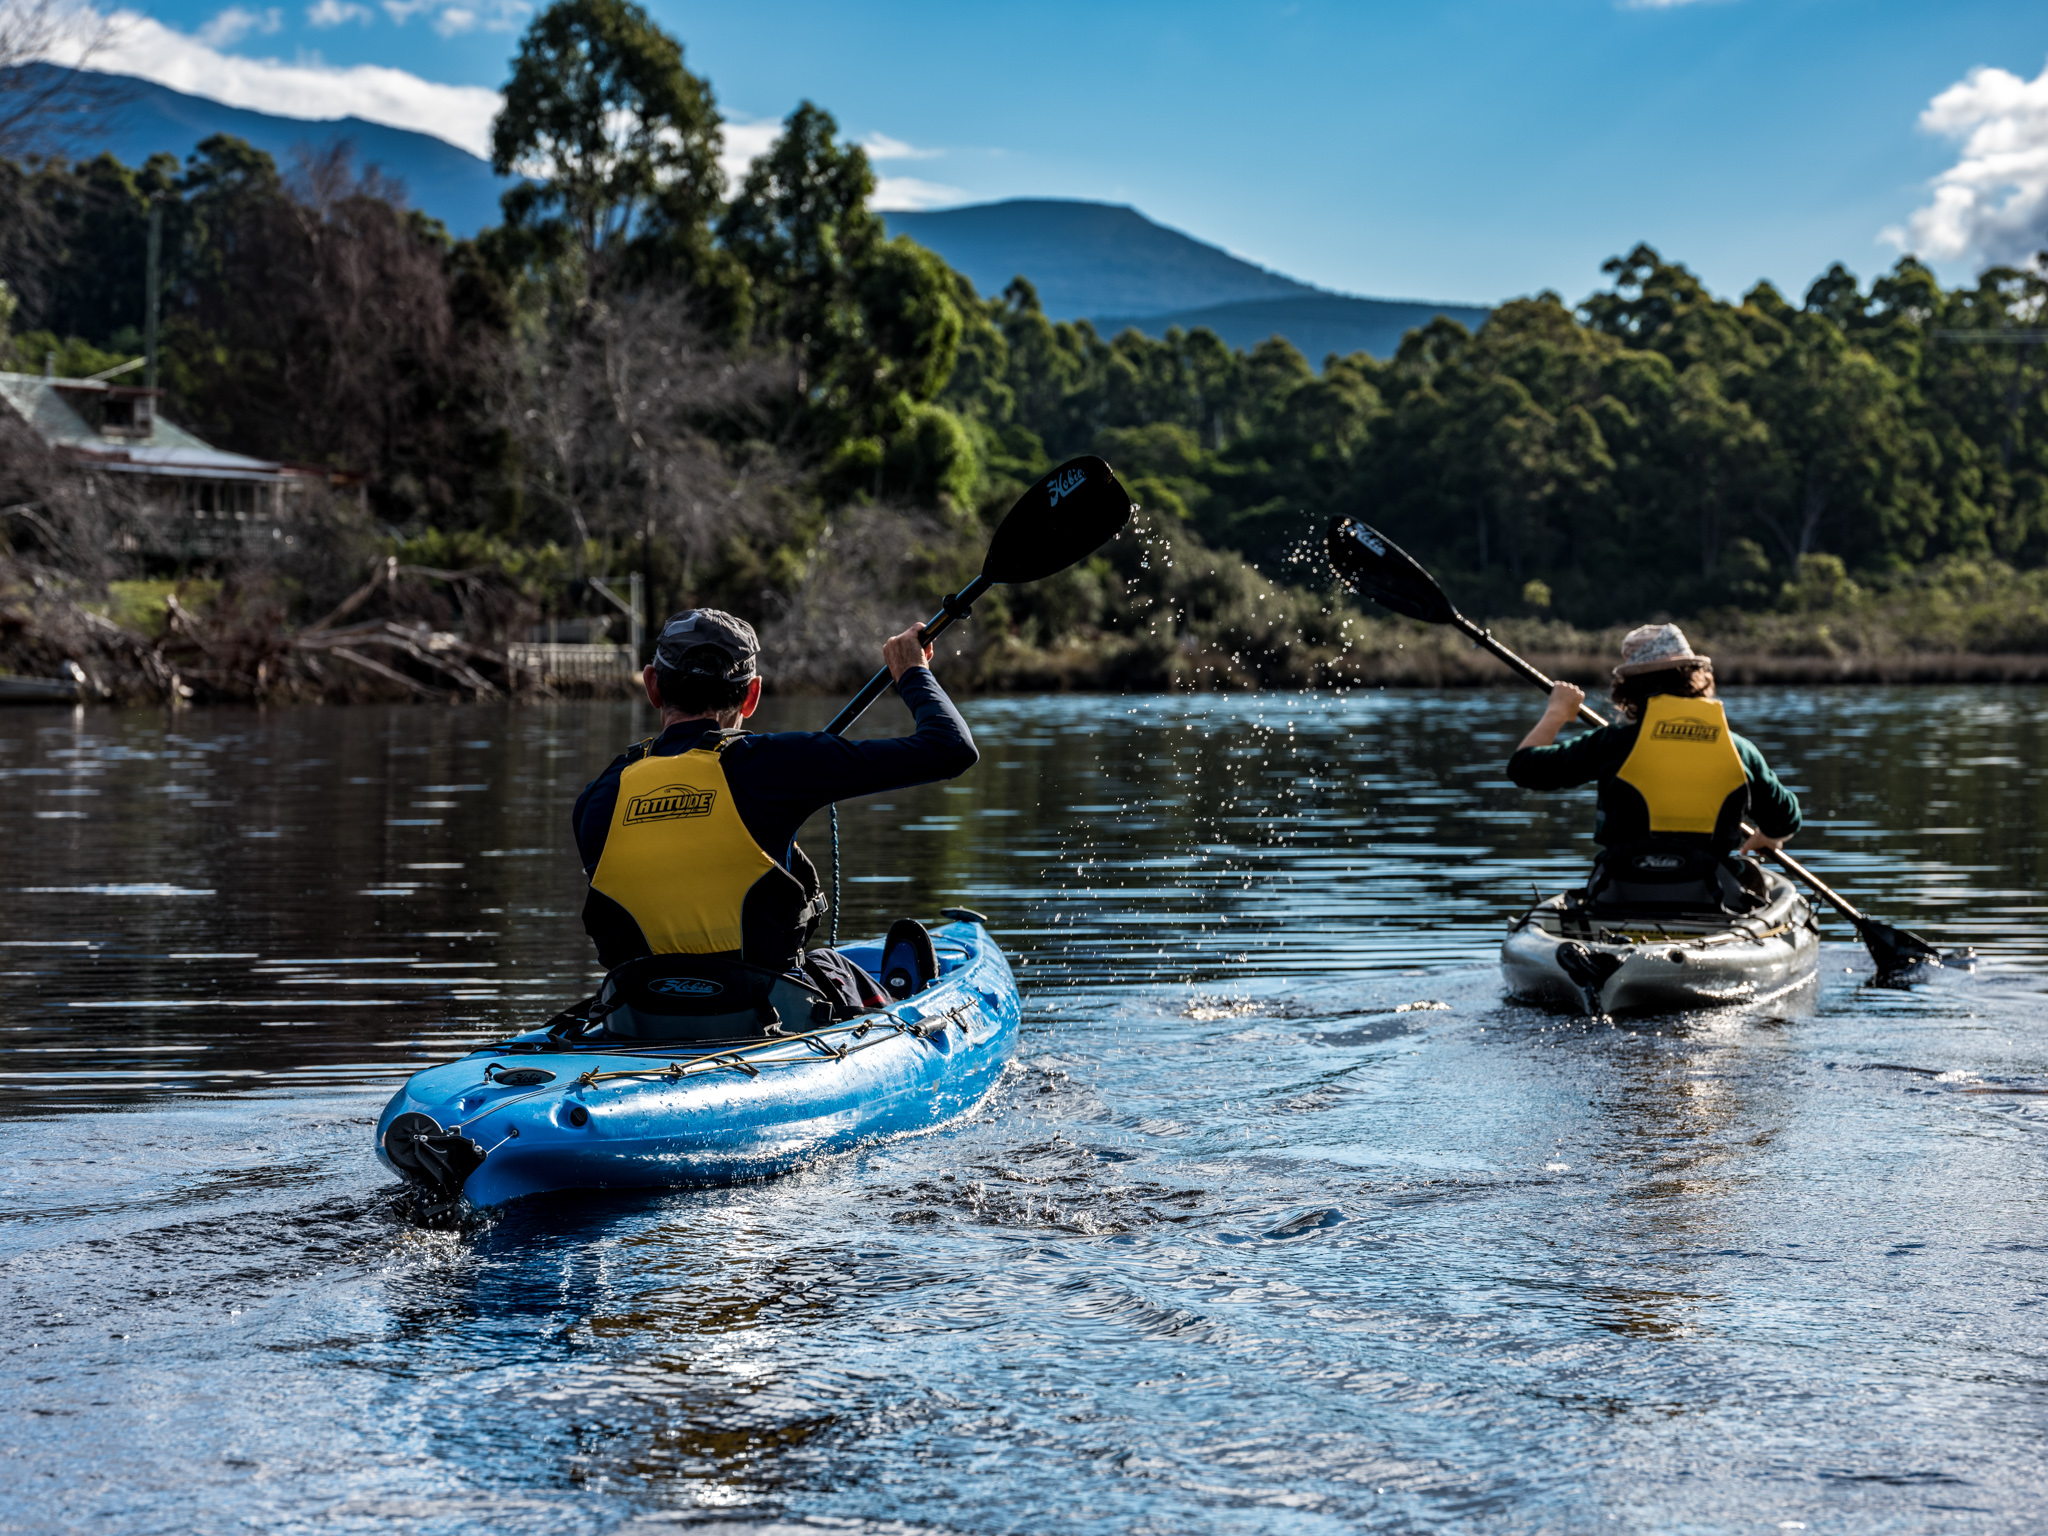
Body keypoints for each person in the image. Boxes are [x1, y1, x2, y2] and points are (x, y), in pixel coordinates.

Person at [571, 607, 978, 1020]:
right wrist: (911, 670)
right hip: (765, 1013)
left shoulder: (599, 797)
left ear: (652, 685)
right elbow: (951, 748)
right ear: (752, 695)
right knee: (831, 969)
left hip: (639, 1016)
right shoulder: (774, 763)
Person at [1506, 623, 1801, 911]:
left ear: (1629, 688)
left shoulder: (1612, 743)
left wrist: (1556, 712)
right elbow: (1786, 818)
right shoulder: (1739, 750)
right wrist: (1769, 835)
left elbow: (1524, 768)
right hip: (1710, 896)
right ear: (1698, 680)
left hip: (1620, 893)